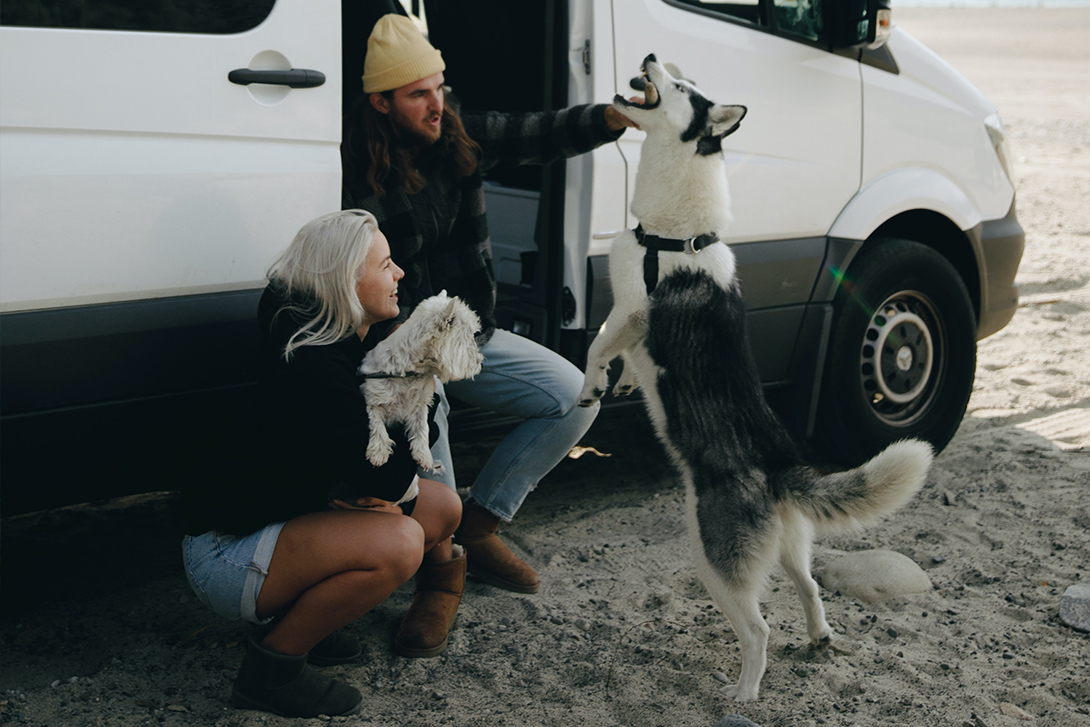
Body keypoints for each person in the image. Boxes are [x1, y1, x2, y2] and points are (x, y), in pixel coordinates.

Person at [342, 14, 637, 594]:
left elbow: (540, 131)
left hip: (469, 334)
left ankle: (480, 526)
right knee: (433, 452)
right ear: (380, 104)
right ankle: (442, 570)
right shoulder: (352, 168)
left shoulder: (456, 133)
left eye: (440, 86)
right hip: (400, 353)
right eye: (418, 94)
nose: (436, 104)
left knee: (576, 395)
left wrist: (609, 117)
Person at [180, 210, 465, 719]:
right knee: (399, 543)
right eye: (385, 265)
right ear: (346, 282)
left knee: (440, 507)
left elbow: (401, 460)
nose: (400, 273)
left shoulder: (340, 337)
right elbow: (393, 474)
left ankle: (301, 618)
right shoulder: (312, 362)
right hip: (223, 554)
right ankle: (271, 671)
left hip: (279, 515)